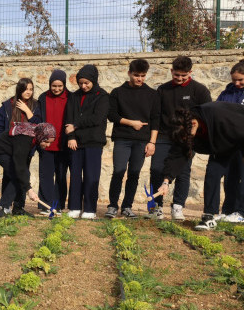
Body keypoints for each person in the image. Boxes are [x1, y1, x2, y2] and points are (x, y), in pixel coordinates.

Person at [158, 102, 244, 229]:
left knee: (240, 175)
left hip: (239, 135)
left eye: (185, 137)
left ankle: (241, 213)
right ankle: (209, 216)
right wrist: (166, 182)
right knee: (212, 173)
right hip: (222, 144)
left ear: (193, 124)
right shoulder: (184, 128)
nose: (185, 139)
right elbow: (177, 155)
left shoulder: (220, 116)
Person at [149, 56, 211, 220]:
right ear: (171, 71)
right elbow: (155, 117)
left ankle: (177, 207)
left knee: (183, 172)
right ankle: (157, 207)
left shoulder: (200, 91)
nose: (179, 78)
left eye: (183, 75)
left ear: (190, 72)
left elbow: (207, 115)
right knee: (156, 170)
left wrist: (193, 133)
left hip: (187, 138)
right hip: (163, 135)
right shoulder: (162, 90)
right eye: (176, 75)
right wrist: (152, 141)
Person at [105, 59, 160, 219]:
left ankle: (127, 206)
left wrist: (152, 142)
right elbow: (112, 115)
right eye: (136, 75)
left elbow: (156, 119)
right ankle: (112, 206)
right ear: (129, 73)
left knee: (134, 174)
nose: (140, 79)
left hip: (142, 141)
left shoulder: (152, 94)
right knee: (118, 172)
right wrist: (131, 123)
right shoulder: (117, 92)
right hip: (122, 138)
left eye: (143, 76)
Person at [196, 60, 244, 229]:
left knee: (241, 177)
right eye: (234, 80)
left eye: (240, 80)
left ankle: (240, 212)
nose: (237, 84)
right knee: (227, 177)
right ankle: (225, 211)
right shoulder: (227, 92)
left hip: (242, 141)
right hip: (226, 142)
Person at [64, 64, 109, 219]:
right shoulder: (74, 96)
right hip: (76, 143)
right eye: (80, 83)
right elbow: (68, 118)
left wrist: (76, 125)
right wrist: (71, 137)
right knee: (75, 175)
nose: (83, 86)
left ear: (93, 80)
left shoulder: (102, 96)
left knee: (91, 176)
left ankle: (90, 209)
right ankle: (75, 207)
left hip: (94, 142)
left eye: (86, 83)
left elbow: (97, 118)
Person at [0, 122, 57, 217]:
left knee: (23, 175)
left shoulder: (36, 134)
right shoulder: (25, 138)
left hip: (12, 151)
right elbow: (20, 166)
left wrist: (27, 185)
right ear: (41, 136)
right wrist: (29, 190)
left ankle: (18, 208)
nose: (48, 145)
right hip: (1, 151)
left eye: (50, 142)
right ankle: (1, 208)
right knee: (18, 176)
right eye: (46, 142)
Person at [0, 78, 40, 213]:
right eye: (26, 89)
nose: (29, 92)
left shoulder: (36, 105)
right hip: (9, 146)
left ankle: (19, 207)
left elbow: (39, 125)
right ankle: (6, 206)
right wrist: (3, 139)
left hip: (26, 147)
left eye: (31, 89)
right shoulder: (8, 105)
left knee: (22, 173)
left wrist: (27, 111)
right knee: (11, 175)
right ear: (20, 89)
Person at [36, 70, 70, 214]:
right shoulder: (43, 98)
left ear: (64, 85)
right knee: (45, 175)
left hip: (63, 145)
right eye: (54, 86)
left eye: (60, 86)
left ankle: (58, 205)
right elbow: (38, 120)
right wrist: (40, 140)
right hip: (46, 145)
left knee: (61, 176)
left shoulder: (71, 97)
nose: (56, 89)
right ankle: (45, 205)